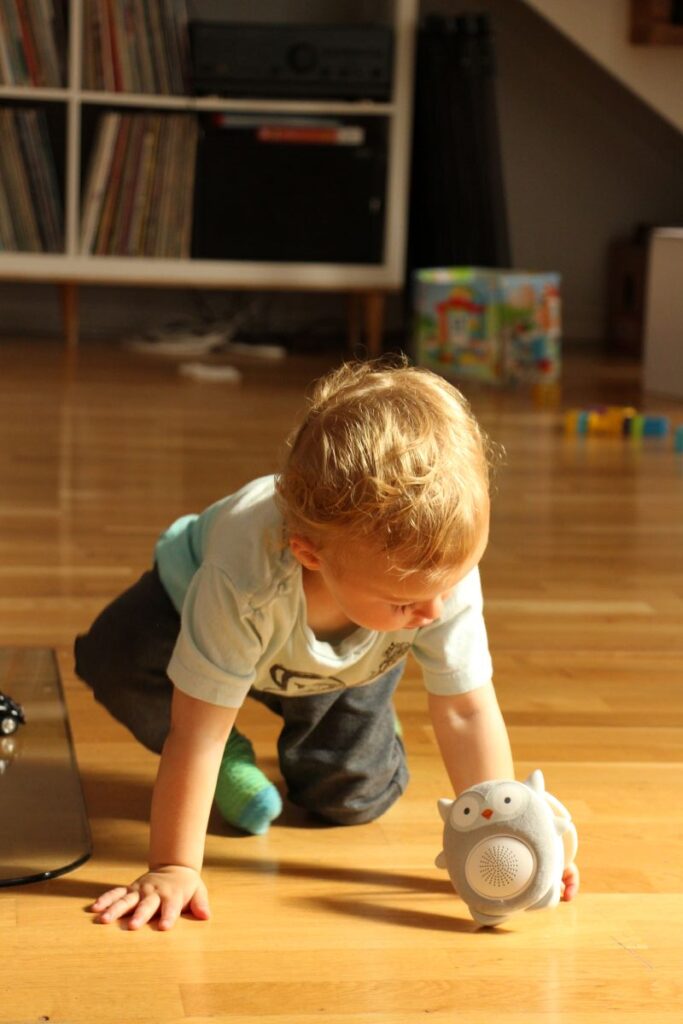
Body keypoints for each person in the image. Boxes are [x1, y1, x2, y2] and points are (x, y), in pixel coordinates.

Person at [75, 358, 579, 930]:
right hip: (193, 616)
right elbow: (197, 729)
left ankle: (355, 713)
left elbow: (465, 709)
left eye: (447, 586)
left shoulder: (435, 575)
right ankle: (230, 766)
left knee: (350, 800)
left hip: (349, 657)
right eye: (405, 600)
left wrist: (505, 834)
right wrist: (173, 865)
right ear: (311, 554)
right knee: (113, 656)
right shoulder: (243, 577)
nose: (434, 613)